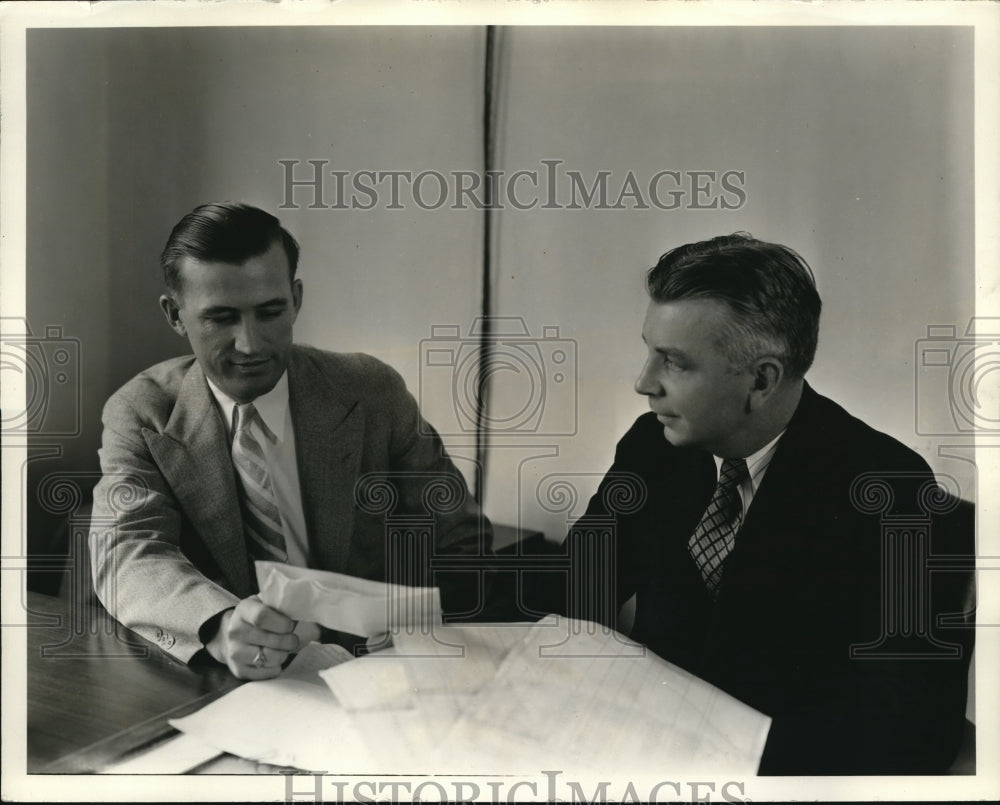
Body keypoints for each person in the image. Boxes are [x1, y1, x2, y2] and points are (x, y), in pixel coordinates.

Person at [561, 233, 973, 775]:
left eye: (674, 363)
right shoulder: (651, 447)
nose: (644, 383)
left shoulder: (892, 493)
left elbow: (911, 727)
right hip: (636, 753)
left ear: (761, 379)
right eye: (649, 351)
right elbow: (575, 587)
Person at [89, 202, 490, 679]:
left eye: (270, 311)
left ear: (296, 299)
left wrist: (415, 626)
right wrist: (220, 624)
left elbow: (461, 543)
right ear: (175, 315)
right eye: (221, 318)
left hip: (381, 668)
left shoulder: (370, 391)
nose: (251, 344)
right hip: (236, 677)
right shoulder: (142, 412)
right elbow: (127, 551)